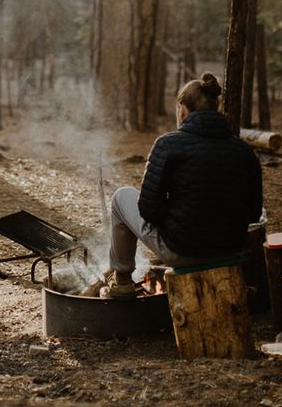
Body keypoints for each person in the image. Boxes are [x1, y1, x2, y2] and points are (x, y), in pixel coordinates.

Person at [104, 72, 263, 298]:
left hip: (183, 250)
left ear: (182, 109)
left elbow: (148, 211)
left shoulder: (168, 144)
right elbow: (254, 213)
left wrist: (175, 213)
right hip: (232, 249)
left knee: (122, 197)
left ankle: (121, 283)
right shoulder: (244, 150)